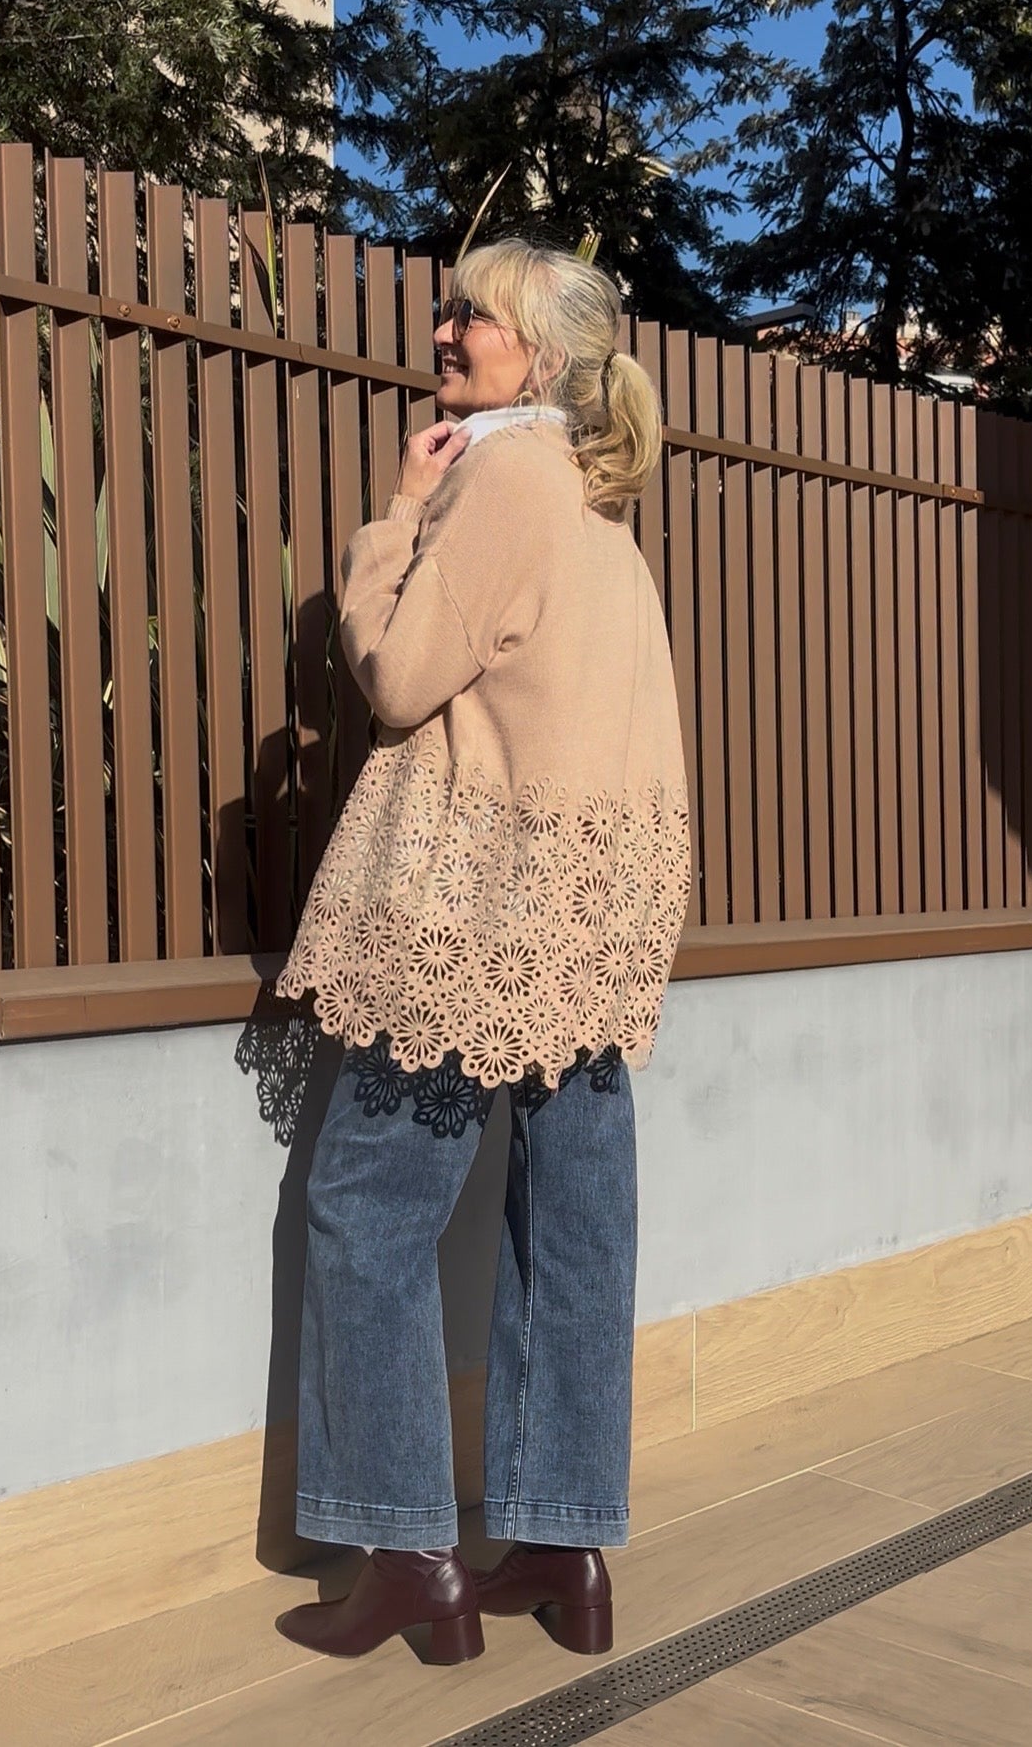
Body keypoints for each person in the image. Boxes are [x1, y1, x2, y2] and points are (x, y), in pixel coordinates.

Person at [273, 237, 692, 1665]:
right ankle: (565, 1550)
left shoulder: (504, 477)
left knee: (367, 1206)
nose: (445, 329)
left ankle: (409, 1556)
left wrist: (397, 514)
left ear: (545, 357)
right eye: (448, 307)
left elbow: (397, 678)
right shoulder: (600, 501)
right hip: (586, 927)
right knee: (572, 1228)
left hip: (472, 924)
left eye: (476, 316)